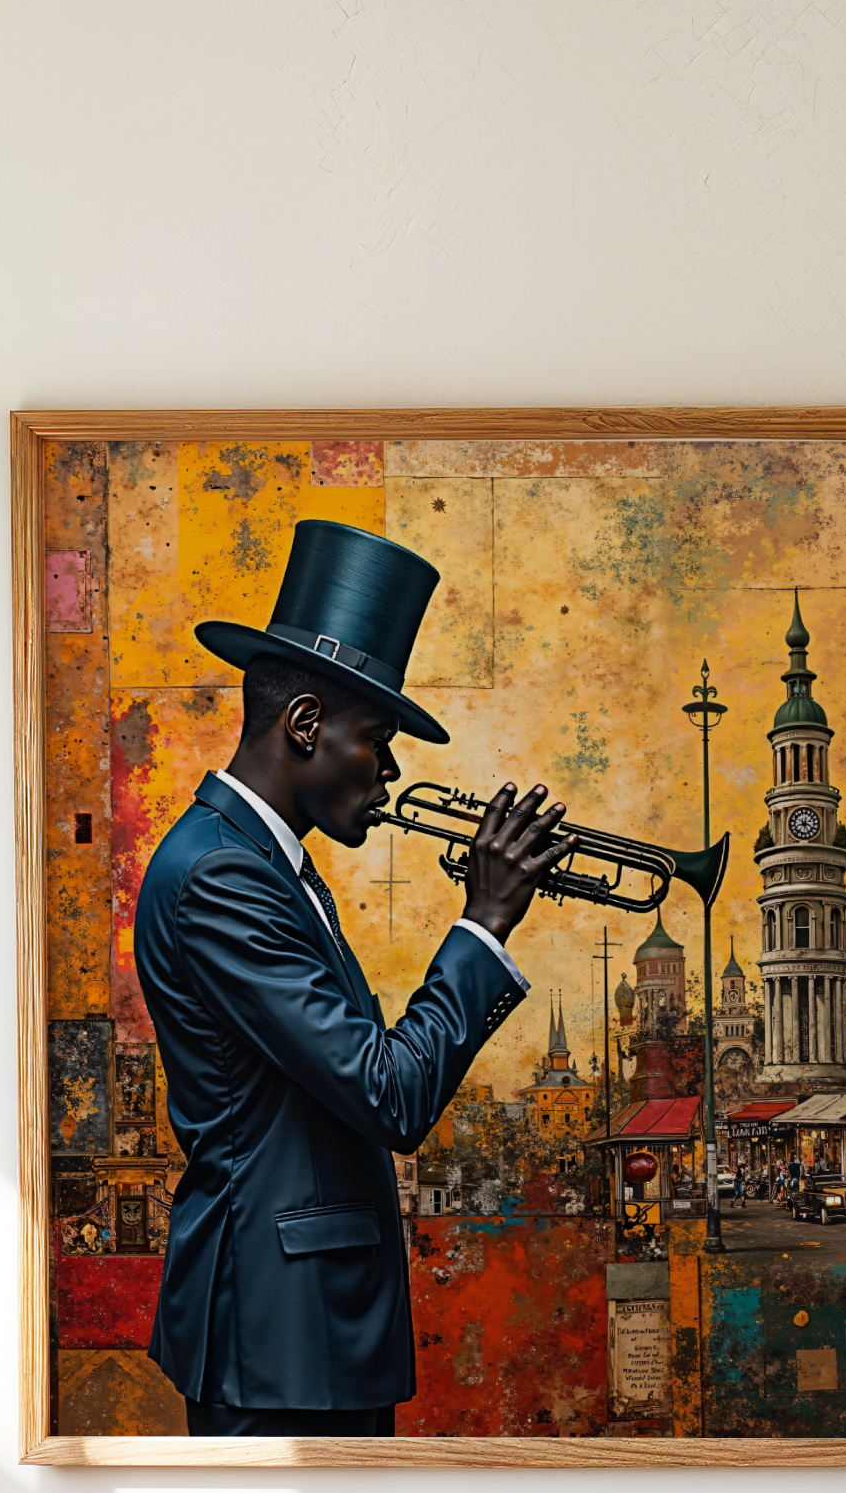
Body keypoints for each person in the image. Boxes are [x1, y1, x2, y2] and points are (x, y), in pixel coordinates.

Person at [136, 520, 574, 1436]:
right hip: (277, 1337)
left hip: (303, 1328)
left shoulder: (263, 861)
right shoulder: (226, 876)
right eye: (377, 739)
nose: (390, 772)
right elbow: (389, 1092)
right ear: (305, 725)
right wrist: (485, 921)